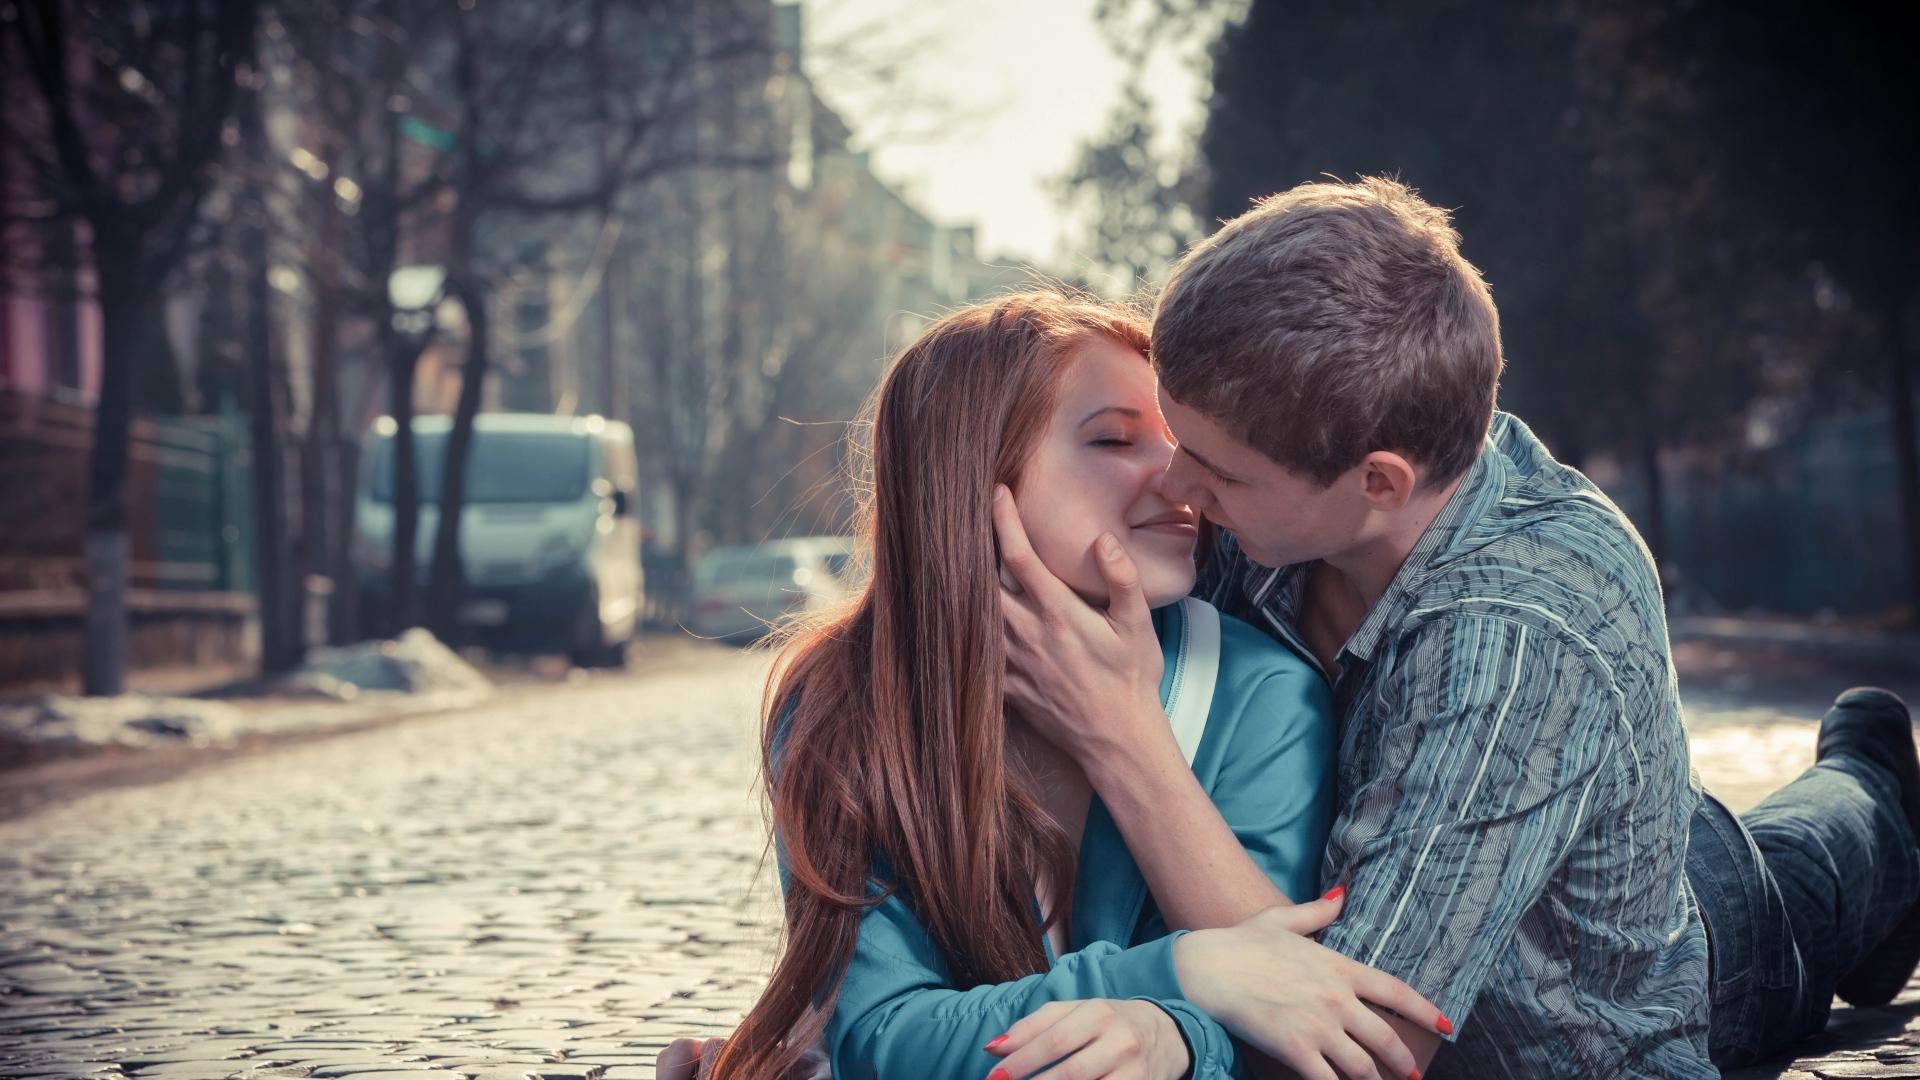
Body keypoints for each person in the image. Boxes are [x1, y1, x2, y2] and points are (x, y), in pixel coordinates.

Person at [995, 177, 1920, 1078]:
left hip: (1706, 951)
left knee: (1834, 845)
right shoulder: (1302, 450)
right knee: (1769, 846)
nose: (1176, 486)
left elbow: (1372, 1042)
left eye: (1215, 472)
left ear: (1379, 484)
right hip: (1599, 814)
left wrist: (1122, 736)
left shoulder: (1518, 634)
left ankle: (1874, 776)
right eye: (1168, 438)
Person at [661, 291, 1443, 1080]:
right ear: (966, 475)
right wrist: (1187, 973)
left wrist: (1172, 1039)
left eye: (1183, 445)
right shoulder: (844, 699)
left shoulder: (1260, 692)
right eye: (1113, 440)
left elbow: (1288, 1017)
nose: (1178, 479)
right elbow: (882, 1038)